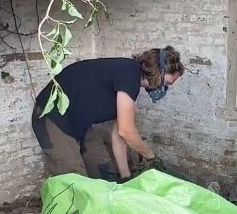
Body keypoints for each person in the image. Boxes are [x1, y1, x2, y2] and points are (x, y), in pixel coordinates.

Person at [31, 46, 184, 181]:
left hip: (78, 123)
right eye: (168, 84)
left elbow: (119, 136)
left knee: (105, 172)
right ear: (158, 73)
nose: (165, 89)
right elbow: (127, 132)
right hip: (53, 119)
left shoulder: (129, 83)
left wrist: (125, 177)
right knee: (74, 182)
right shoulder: (129, 73)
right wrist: (151, 157)